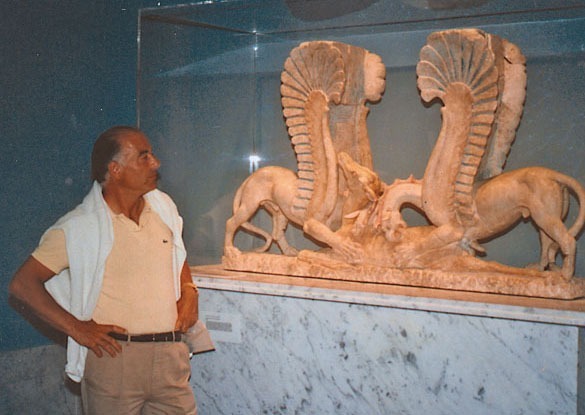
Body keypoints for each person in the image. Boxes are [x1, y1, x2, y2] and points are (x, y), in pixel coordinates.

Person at [9, 126, 201, 414]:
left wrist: (189, 289)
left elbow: (176, 254)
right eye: (144, 157)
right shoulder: (79, 227)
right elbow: (23, 285)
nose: (156, 163)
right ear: (116, 169)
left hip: (170, 356)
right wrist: (77, 329)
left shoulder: (164, 208)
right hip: (115, 361)